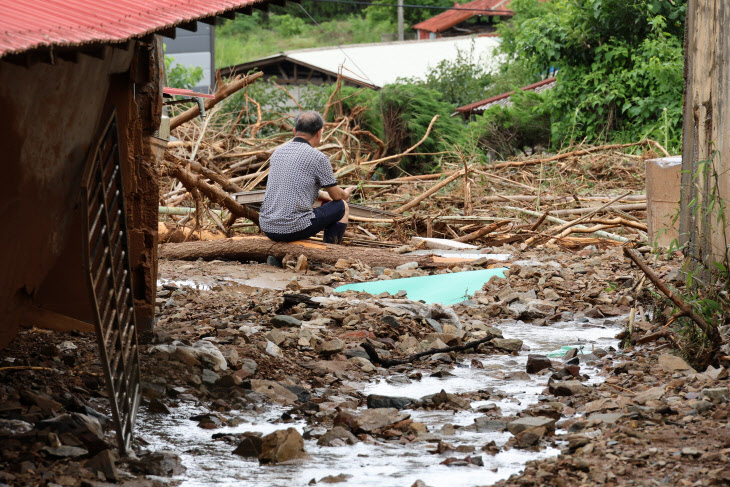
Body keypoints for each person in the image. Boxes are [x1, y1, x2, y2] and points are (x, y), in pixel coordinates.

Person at [259, 111, 354, 244]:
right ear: (319, 133)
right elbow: (337, 197)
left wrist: (323, 195)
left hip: (268, 227)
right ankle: (330, 253)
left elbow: (294, 187)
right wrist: (345, 193)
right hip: (293, 229)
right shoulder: (318, 157)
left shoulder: (277, 153)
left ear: (294, 131)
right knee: (342, 206)